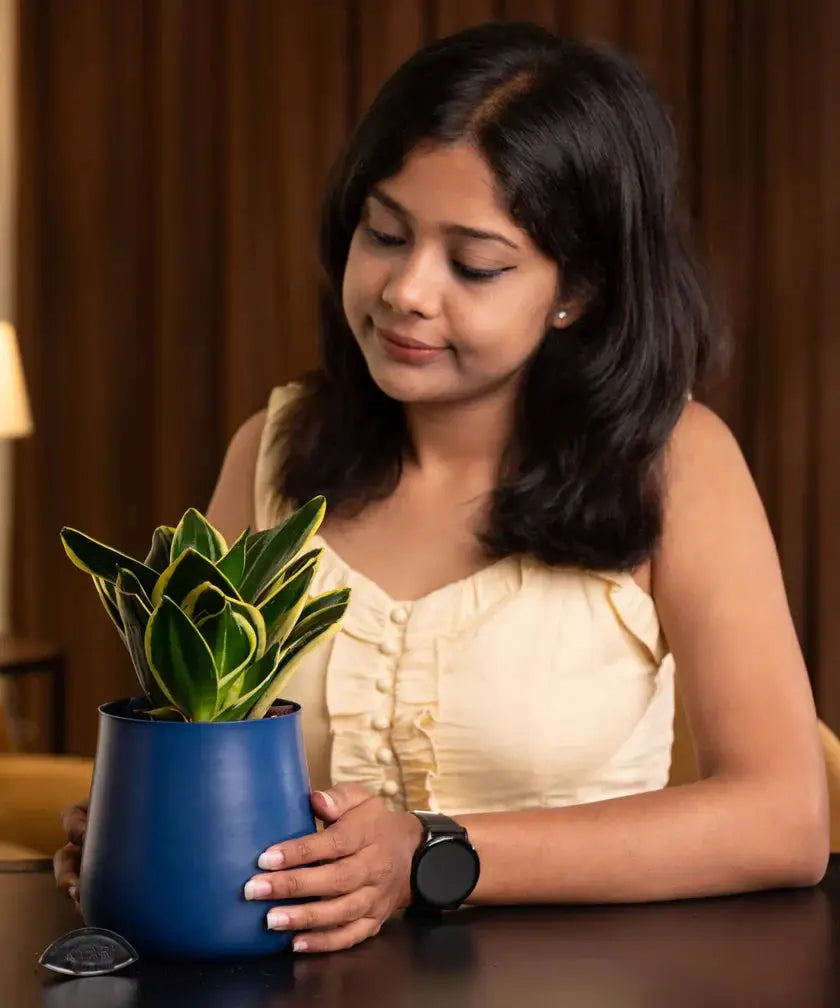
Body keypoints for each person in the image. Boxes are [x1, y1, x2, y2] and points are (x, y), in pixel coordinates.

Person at [55, 21, 828, 954]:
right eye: (385, 233)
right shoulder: (273, 449)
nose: (407, 290)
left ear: (574, 290)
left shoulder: (674, 460)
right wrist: (130, 829)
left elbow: (785, 820)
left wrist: (430, 853)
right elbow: (191, 744)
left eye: (476, 264)